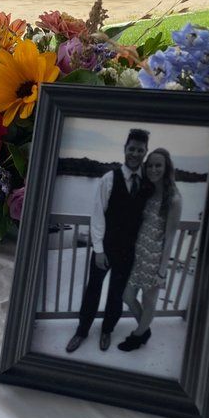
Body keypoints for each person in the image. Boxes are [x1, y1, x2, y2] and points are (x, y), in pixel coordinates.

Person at [66, 129, 153, 354]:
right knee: (93, 291)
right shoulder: (109, 179)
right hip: (105, 248)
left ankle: (107, 330)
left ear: (146, 152)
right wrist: (99, 250)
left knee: (116, 293)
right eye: (131, 148)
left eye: (140, 150)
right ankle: (81, 331)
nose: (135, 153)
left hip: (129, 251)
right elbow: (97, 217)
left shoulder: (147, 183)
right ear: (125, 149)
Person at [118, 148, 182, 352]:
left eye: (158, 165)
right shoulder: (146, 190)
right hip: (137, 256)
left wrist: (162, 272)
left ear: (166, 168)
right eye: (151, 165)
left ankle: (138, 336)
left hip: (154, 261)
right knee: (127, 296)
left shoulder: (173, 199)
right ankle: (144, 329)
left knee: (149, 301)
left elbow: (170, 236)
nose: (154, 169)